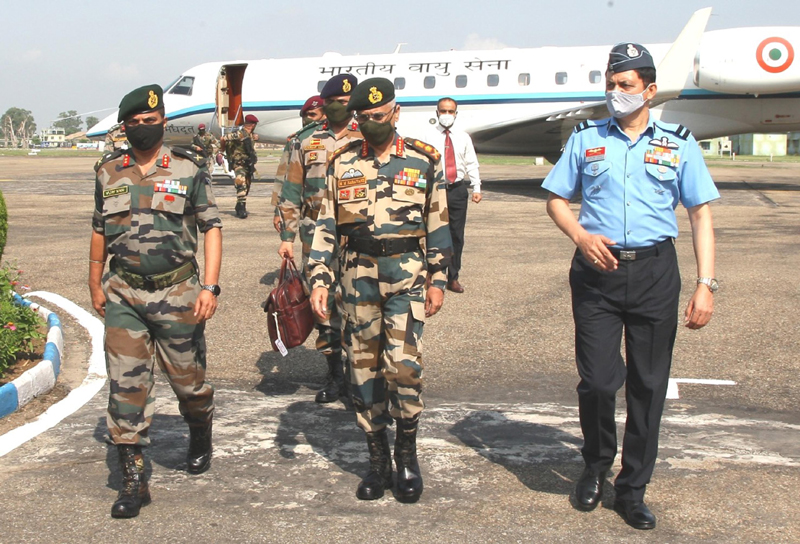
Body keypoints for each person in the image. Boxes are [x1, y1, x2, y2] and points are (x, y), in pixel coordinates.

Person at [541, 43, 719, 530]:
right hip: (597, 273)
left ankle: (632, 487)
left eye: (626, 85)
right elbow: (556, 198)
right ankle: (595, 467)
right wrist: (579, 235)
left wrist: (706, 285)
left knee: (648, 384)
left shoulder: (679, 141)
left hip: (656, 273)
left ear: (649, 90)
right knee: (598, 380)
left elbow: (700, 214)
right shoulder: (585, 138)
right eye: (610, 84)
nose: (616, 93)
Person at [308, 77, 452, 502]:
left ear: (396, 112)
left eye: (378, 115)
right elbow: (325, 226)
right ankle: (377, 462)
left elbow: (440, 224)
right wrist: (319, 276)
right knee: (364, 371)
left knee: (404, 369)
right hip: (357, 277)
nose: (371, 123)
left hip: (407, 274)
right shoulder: (342, 161)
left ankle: (407, 456)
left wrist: (439, 279)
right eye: (363, 118)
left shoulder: (423, 161)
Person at [89, 84, 223, 518]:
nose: (143, 129)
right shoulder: (109, 171)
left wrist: (211, 287)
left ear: (163, 121)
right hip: (124, 292)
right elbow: (97, 229)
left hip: (178, 291)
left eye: (151, 121)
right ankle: (133, 481)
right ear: (124, 126)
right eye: (135, 123)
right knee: (126, 387)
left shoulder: (187, 169)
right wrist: (94, 283)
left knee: (189, 383)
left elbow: (212, 227)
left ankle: (200, 427)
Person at [278, 75, 360, 404]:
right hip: (315, 236)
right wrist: (287, 236)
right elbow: (291, 191)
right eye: (335, 101)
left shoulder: (364, 137)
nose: (342, 106)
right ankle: (335, 375)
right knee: (323, 304)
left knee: (358, 301)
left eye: (347, 100)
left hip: (357, 234)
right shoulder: (306, 140)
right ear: (324, 104)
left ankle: (360, 377)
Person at [426, 97, 482, 293]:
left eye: (450, 111)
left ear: (456, 114)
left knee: (456, 236)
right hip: (436, 190)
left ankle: (453, 277)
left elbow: (471, 163)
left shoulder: (463, 137)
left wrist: (476, 187)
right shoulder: (428, 136)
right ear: (437, 113)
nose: (447, 115)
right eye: (443, 111)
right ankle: (431, 275)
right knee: (432, 233)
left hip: (457, 190)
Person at [272, 95, 326, 233]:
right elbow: (283, 179)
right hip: (311, 217)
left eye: (313, 114)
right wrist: (279, 210)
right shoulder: (296, 141)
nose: (307, 119)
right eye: (305, 115)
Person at [222, 114, 259, 218]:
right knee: (241, 183)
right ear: (252, 125)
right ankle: (242, 208)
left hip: (248, 164)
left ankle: (239, 205)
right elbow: (223, 138)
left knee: (247, 186)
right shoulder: (239, 134)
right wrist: (222, 150)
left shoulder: (251, 135)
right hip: (239, 163)